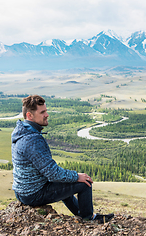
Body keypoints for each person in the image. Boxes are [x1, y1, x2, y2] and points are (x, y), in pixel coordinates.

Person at [11, 95, 113, 223]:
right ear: (30, 116)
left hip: (23, 192)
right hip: (33, 194)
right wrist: (77, 176)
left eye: (46, 111)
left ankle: (81, 214)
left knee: (66, 182)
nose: (47, 115)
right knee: (84, 182)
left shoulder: (22, 132)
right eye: (42, 112)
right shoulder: (32, 140)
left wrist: (70, 177)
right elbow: (53, 174)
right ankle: (88, 219)